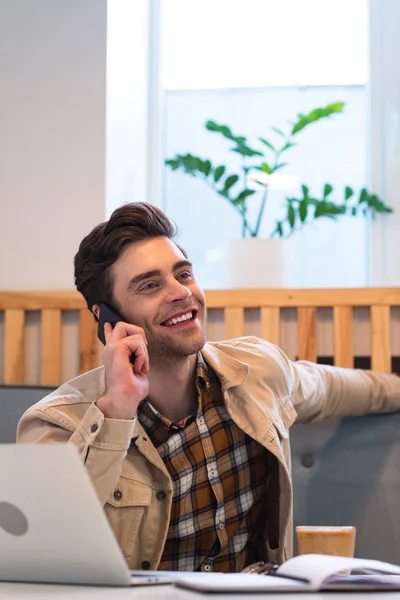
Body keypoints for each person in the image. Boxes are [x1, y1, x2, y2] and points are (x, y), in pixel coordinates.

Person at [17, 202, 400, 573]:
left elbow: (337, 387)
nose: (181, 292)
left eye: (183, 275)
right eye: (150, 285)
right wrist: (116, 411)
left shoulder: (258, 371)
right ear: (108, 319)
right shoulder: (54, 425)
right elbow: (45, 550)